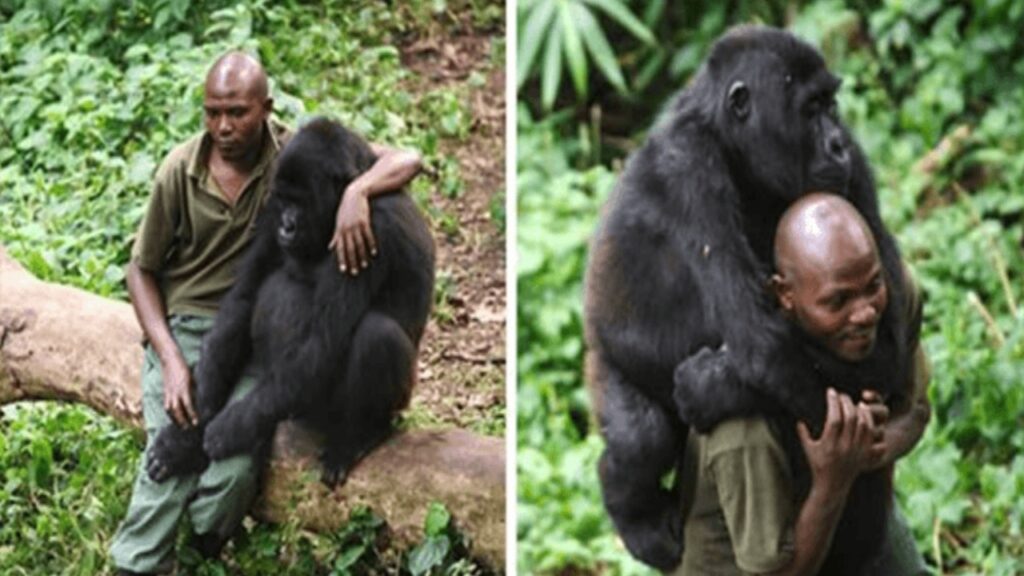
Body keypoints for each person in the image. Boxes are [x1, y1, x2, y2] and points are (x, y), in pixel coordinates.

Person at [110, 51, 423, 576]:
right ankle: (136, 564)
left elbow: (324, 348)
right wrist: (192, 396)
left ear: (265, 110)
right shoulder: (205, 172)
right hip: (204, 330)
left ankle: (357, 435)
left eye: (236, 113)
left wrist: (358, 191)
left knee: (373, 339)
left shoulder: (364, 225)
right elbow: (242, 297)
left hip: (359, 373)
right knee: (183, 434)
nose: (224, 126)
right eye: (213, 113)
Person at [671, 193, 931, 575]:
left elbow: (915, 412)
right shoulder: (743, 426)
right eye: (837, 301)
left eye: (871, 285)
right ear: (785, 295)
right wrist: (832, 482)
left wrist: (869, 447)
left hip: (849, 519)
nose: (863, 312)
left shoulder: (893, 301)